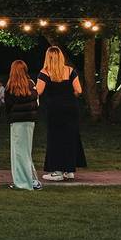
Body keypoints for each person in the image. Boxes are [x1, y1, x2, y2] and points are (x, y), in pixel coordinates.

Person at [37, 46, 86, 181]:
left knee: (55, 139)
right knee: (70, 137)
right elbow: (79, 90)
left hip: (54, 109)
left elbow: (38, 91)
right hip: (71, 109)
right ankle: (69, 170)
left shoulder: (45, 72)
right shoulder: (70, 71)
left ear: (48, 57)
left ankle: (57, 171)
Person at [4, 60, 41, 190]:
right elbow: (36, 102)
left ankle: (23, 181)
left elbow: (8, 105)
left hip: (17, 122)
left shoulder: (10, 86)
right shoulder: (31, 84)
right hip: (29, 121)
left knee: (18, 152)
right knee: (26, 151)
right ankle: (31, 179)